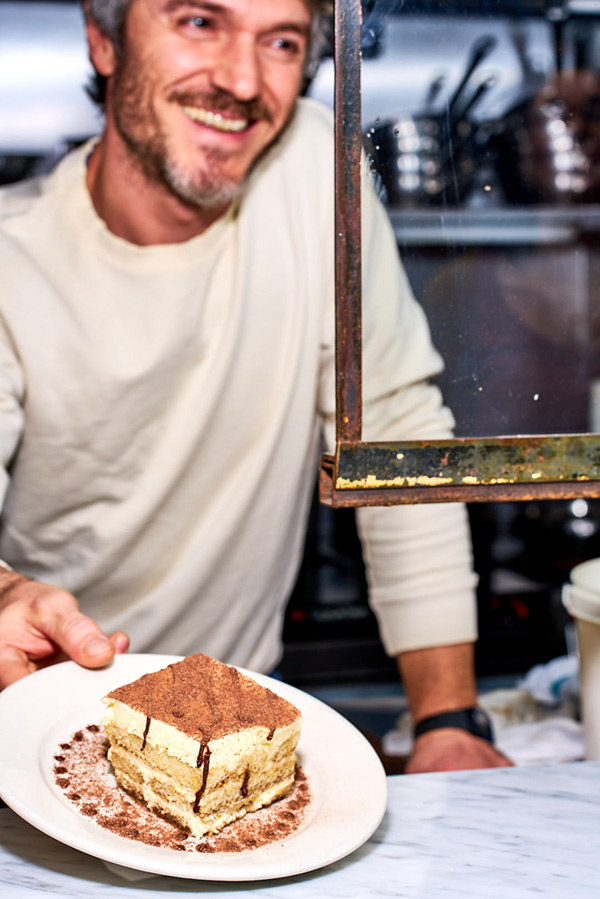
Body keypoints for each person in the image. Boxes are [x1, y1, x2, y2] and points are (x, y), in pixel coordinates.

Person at [0, 0, 510, 774]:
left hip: (237, 739)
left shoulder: (310, 164)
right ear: (104, 39)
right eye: (199, 22)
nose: (242, 80)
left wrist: (447, 716)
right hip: (38, 732)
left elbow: (393, 431)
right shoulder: (12, 259)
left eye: (279, 40)